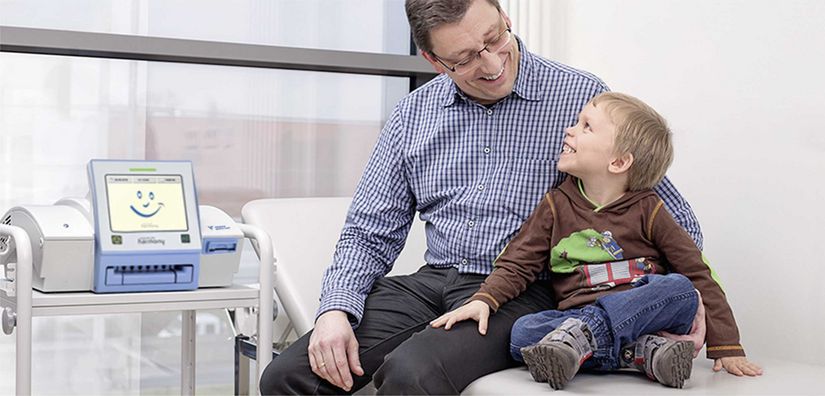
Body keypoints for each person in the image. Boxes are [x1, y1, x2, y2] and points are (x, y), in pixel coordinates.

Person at [259, 0, 705, 394]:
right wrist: (335, 310)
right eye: (465, 58)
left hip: (520, 290)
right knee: (286, 377)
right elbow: (368, 232)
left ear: (505, 16)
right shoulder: (413, 114)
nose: (491, 64)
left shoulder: (581, 98)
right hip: (431, 282)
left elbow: (670, 217)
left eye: (494, 38)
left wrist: (682, 297)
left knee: (411, 373)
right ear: (435, 61)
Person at [431, 92, 764, 389]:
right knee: (522, 334)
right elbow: (518, 263)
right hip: (580, 316)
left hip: (645, 314)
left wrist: (727, 345)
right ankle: (638, 353)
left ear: (618, 162)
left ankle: (587, 337)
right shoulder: (555, 206)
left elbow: (697, 271)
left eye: (586, 126)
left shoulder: (650, 210)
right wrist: (484, 299)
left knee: (677, 288)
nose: (569, 130)